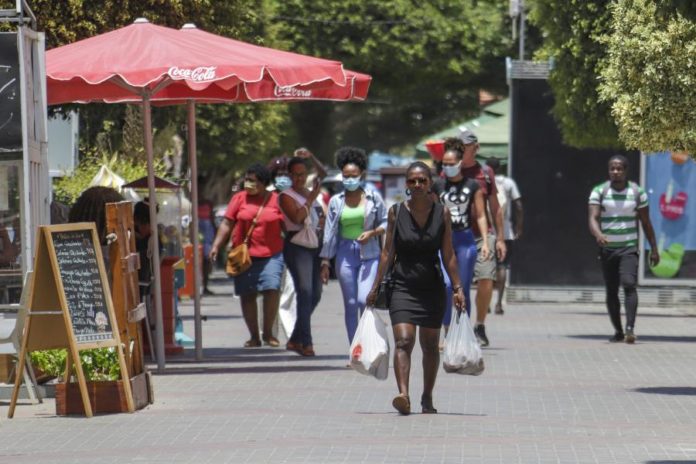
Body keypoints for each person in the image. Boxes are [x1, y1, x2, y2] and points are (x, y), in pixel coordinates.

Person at [367, 161, 465, 415]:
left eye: (422, 180)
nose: (417, 184)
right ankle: (404, 395)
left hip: (432, 287)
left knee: (430, 346)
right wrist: (375, 286)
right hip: (402, 286)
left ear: (430, 183)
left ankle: (427, 396)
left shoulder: (442, 213)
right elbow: (387, 252)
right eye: (412, 180)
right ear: (407, 184)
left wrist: (458, 287)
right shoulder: (396, 212)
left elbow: (448, 253)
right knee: (403, 340)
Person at [209, 163, 285, 348]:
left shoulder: (276, 200)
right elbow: (227, 223)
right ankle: (254, 336)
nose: (249, 183)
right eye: (247, 179)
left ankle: (268, 333)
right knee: (247, 294)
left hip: (271, 254)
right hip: (244, 255)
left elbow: (287, 226)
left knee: (272, 288)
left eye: (253, 181)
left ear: (264, 183)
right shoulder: (239, 198)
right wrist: (216, 245)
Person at [319, 147, 388, 345]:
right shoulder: (336, 201)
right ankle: (355, 348)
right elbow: (329, 232)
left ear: (362, 175)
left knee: (363, 300)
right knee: (350, 303)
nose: (349, 179)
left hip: (370, 254)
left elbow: (386, 222)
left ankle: (368, 342)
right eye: (346, 176)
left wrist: (372, 233)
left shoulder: (373, 197)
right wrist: (325, 261)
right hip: (345, 254)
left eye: (353, 175)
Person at [588, 155, 659, 343]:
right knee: (611, 290)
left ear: (625, 171)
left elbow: (646, 222)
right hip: (608, 249)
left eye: (619, 168)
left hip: (629, 248)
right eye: (612, 168)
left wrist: (654, 248)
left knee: (629, 284)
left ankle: (630, 329)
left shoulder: (637, 192)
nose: (615, 172)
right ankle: (618, 331)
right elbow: (592, 218)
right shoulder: (599, 191)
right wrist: (598, 234)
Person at [446, 131, 506, 347]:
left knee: (486, 278)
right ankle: (451, 327)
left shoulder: (485, 173)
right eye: (459, 146)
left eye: (466, 146)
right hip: (453, 236)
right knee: (453, 284)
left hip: (482, 236)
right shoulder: (449, 169)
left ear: (476, 148)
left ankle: (479, 325)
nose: (462, 149)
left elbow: (495, 208)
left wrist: (500, 239)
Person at [432, 144, 490, 330]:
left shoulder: (472, 185)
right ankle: (447, 329)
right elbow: (433, 214)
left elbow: (481, 215)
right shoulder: (437, 185)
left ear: (459, 163)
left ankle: (462, 329)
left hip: (465, 239)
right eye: (445, 163)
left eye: (451, 163)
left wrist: (485, 241)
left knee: (463, 287)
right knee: (446, 285)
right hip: (444, 239)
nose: (447, 167)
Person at [278, 149, 327, 357]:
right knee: (304, 292)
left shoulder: (309, 191)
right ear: (289, 176)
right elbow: (297, 218)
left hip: (315, 244)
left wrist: (312, 156)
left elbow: (323, 173)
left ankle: (295, 338)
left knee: (315, 294)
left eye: (302, 174)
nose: (299, 178)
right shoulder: (286, 196)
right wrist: (312, 198)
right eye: (295, 175)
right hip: (297, 246)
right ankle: (306, 342)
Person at [486, 157, 523, 315]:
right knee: (502, 267)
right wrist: (519, 227)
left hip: (487, 231)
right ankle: (499, 304)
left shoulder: (483, 182)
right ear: (499, 167)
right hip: (506, 231)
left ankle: (485, 303)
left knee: (486, 269)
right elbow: (519, 205)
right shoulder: (508, 183)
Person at [197, 183, 216, 296]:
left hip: (207, 235)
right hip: (197, 233)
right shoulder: (193, 203)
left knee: (206, 260)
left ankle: (205, 286)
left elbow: (212, 219)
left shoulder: (209, 203)